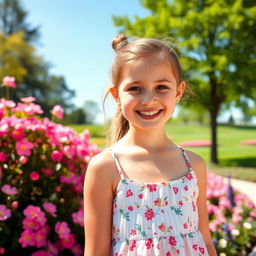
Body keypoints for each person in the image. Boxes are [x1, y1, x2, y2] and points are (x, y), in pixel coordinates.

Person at [83, 34, 217, 256]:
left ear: (179, 92)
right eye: (135, 88)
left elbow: (205, 240)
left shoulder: (194, 165)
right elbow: (96, 252)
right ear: (116, 95)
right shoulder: (105, 167)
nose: (148, 99)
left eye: (161, 87)